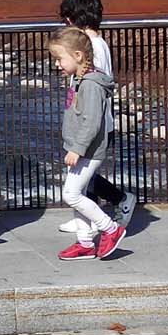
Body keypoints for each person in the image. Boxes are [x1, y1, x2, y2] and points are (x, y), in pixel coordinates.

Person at [58, 0, 136, 231]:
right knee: (84, 175)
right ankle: (88, 219)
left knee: (82, 174)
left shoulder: (92, 48)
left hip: (95, 123)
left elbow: (93, 90)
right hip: (94, 122)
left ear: (73, 19)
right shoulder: (96, 44)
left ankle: (117, 202)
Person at [50, 28, 121, 260]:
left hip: (88, 150)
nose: (57, 64)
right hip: (81, 148)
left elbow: (91, 122)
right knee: (77, 193)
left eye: (60, 58)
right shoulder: (80, 79)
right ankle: (85, 242)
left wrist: (77, 148)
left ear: (78, 55)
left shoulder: (90, 85)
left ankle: (110, 228)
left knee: (71, 194)